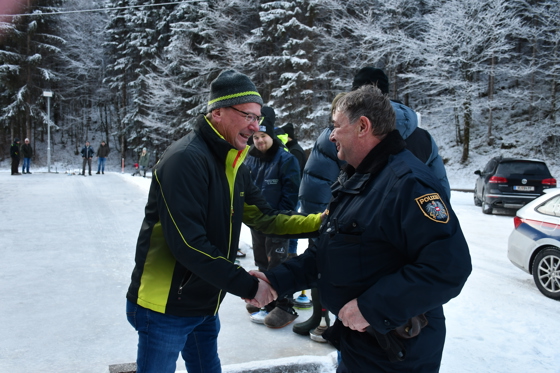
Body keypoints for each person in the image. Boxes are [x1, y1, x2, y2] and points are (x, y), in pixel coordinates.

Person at [252, 85, 472, 372]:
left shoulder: (408, 183)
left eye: (336, 127)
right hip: (359, 346)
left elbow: (448, 268)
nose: (331, 136)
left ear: (363, 127)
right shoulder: (358, 180)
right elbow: (326, 255)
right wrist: (275, 281)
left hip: (395, 355)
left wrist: (372, 308)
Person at [125, 69, 323, 373]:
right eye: (248, 116)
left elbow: (266, 218)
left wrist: (318, 222)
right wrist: (247, 285)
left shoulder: (233, 163)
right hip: (165, 307)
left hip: (206, 299)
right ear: (218, 112)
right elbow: (189, 244)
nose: (255, 126)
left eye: (258, 118)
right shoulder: (185, 160)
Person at [292, 93, 347, 340]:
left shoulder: (338, 139)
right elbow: (316, 178)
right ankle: (319, 315)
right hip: (318, 216)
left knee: (330, 268)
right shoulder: (327, 136)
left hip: (333, 217)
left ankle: (330, 320)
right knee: (317, 266)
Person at [351, 67, 451, 198]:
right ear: (386, 94)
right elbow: (441, 191)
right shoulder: (424, 139)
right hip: (412, 216)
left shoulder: (341, 134)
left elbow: (321, 190)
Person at [243, 106, 301, 328]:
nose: (259, 141)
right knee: (261, 260)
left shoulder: (286, 160)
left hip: (277, 222)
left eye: (263, 136)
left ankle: (285, 305)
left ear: (272, 136)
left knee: (278, 263)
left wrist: (279, 219)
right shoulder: (250, 159)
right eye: (256, 137)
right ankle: (266, 300)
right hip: (257, 222)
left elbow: (290, 196)